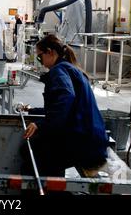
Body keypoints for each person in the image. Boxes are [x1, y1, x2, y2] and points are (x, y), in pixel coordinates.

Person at [20, 34, 108, 177]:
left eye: (39, 57)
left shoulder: (59, 71)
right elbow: (64, 106)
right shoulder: (69, 68)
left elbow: (66, 97)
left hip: (84, 144)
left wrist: (40, 125)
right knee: (45, 151)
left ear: (50, 52)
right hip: (92, 141)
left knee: (29, 150)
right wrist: (33, 111)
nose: (40, 61)